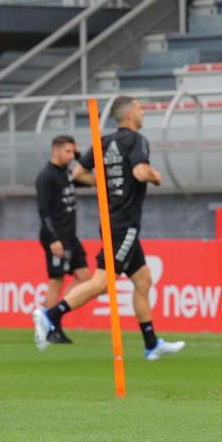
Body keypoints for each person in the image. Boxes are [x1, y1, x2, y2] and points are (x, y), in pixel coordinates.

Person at [31, 96, 185, 361]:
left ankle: (151, 344)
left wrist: (108, 185)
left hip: (115, 221)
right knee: (102, 283)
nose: (143, 111)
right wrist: (155, 176)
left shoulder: (104, 142)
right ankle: (50, 315)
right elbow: (139, 172)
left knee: (143, 280)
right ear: (129, 116)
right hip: (124, 223)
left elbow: (78, 173)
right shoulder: (136, 140)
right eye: (139, 108)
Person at [35, 135, 92, 344]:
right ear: (55, 150)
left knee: (85, 277)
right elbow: (43, 211)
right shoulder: (46, 177)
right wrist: (53, 239)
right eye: (68, 151)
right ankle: (52, 328)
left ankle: (53, 313)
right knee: (56, 281)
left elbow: (93, 180)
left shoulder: (67, 173)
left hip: (71, 236)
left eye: (73, 152)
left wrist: (80, 159)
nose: (71, 155)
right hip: (56, 237)